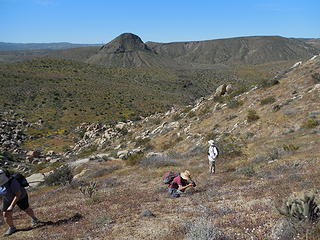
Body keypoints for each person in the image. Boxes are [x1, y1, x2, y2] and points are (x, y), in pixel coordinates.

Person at [0, 169, 39, 236]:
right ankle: (12, 228)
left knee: (26, 209)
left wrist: (11, 206)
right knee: (5, 213)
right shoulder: (1, 183)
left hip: (21, 197)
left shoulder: (12, 182)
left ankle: (34, 219)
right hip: (7, 197)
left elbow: (18, 194)